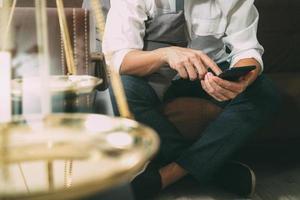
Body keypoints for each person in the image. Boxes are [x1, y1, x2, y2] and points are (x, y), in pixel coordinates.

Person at [103, 0, 281, 199]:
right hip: (152, 79)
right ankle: (213, 171)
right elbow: (118, 59)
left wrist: (243, 80)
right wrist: (165, 54)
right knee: (122, 88)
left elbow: (247, 49)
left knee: (264, 90)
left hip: (209, 79)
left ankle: (165, 175)